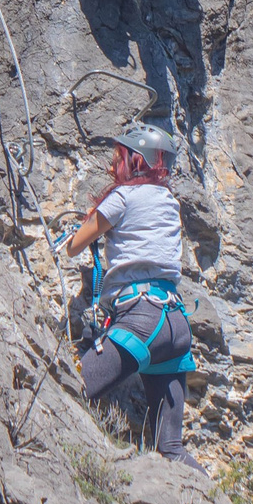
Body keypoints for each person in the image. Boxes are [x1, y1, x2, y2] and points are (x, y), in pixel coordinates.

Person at [61, 119, 198, 465]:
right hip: (175, 324)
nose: (113, 164)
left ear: (135, 159)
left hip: (140, 317)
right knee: (172, 450)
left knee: (68, 387)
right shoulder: (169, 202)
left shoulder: (123, 197)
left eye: (119, 157)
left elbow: (75, 246)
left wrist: (87, 223)